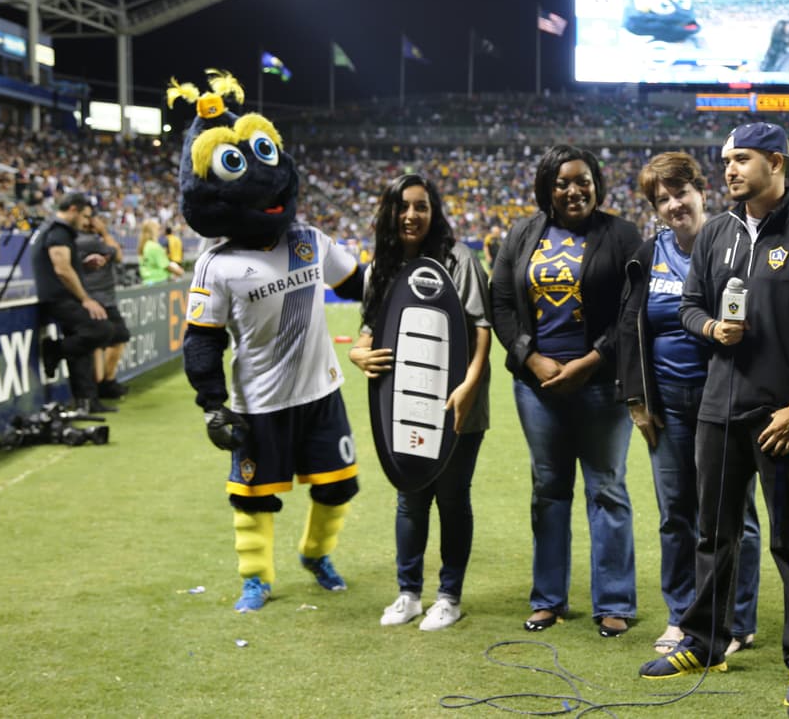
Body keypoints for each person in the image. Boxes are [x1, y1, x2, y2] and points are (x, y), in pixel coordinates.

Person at [638, 123, 789, 713]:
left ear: (776, 162)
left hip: (781, 415)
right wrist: (708, 328)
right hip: (717, 410)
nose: (728, 170)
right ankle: (705, 639)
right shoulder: (718, 230)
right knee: (712, 534)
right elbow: (690, 306)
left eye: (740, 159)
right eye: (725, 160)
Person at [175, 69, 365, 613]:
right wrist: (212, 404)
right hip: (258, 404)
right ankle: (255, 577)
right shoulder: (217, 263)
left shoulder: (309, 240)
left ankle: (315, 554)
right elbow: (202, 339)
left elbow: (360, 285)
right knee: (252, 498)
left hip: (322, 394)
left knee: (337, 487)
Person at [490, 144, 642, 638]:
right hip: (538, 388)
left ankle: (614, 602)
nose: (574, 190)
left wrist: (592, 359)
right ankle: (548, 599)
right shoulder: (521, 233)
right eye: (563, 182)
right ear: (547, 188)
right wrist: (530, 359)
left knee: (607, 490)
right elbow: (501, 302)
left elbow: (631, 310)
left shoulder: (621, 235)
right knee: (548, 491)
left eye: (583, 180)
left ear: (597, 184)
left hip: (599, 383)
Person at [618, 152, 763, 657]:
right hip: (669, 406)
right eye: (662, 198)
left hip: (724, 400)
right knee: (675, 513)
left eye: (681, 192)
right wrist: (638, 400)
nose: (675, 204)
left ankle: (737, 619)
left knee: (733, 514)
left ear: (702, 191)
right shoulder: (647, 253)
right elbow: (630, 329)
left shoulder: (735, 242)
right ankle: (682, 616)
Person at [349, 174, 492, 632]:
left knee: (452, 498)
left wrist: (469, 385)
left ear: (434, 212)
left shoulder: (459, 259)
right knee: (409, 499)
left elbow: (481, 330)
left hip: (457, 402)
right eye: (403, 207)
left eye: (421, 207)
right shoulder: (380, 268)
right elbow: (368, 331)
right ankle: (408, 593)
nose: (412, 215)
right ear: (390, 212)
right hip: (402, 403)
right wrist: (356, 352)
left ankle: (449, 596)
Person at [30, 192, 117, 414]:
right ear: (73, 210)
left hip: (60, 296)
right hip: (58, 298)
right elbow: (61, 268)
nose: (87, 222)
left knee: (81, 349)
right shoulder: (58, 231)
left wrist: (83, 264)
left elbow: (65, 264)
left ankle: (86, 402)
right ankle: (55, 350)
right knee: (101, 329)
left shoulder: (54, 229)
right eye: (85, 216)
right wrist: (86, 299)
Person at [75, 212, 131, 401]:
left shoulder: (75, 240)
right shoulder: (92, 241)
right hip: (102, 301)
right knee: (118, 337)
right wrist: (104, 232)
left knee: (102, 344)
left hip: (93, 298)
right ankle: (105, 384)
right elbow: (118, 255)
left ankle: (106, 383)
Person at [139, 219, 184, 284]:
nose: (160, 232)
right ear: (153, 231)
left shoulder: (144, 245)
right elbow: (165, 265)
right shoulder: (155, 246)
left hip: (147, 281)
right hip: (159, 281)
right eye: (158, 229)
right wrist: (180, 272)